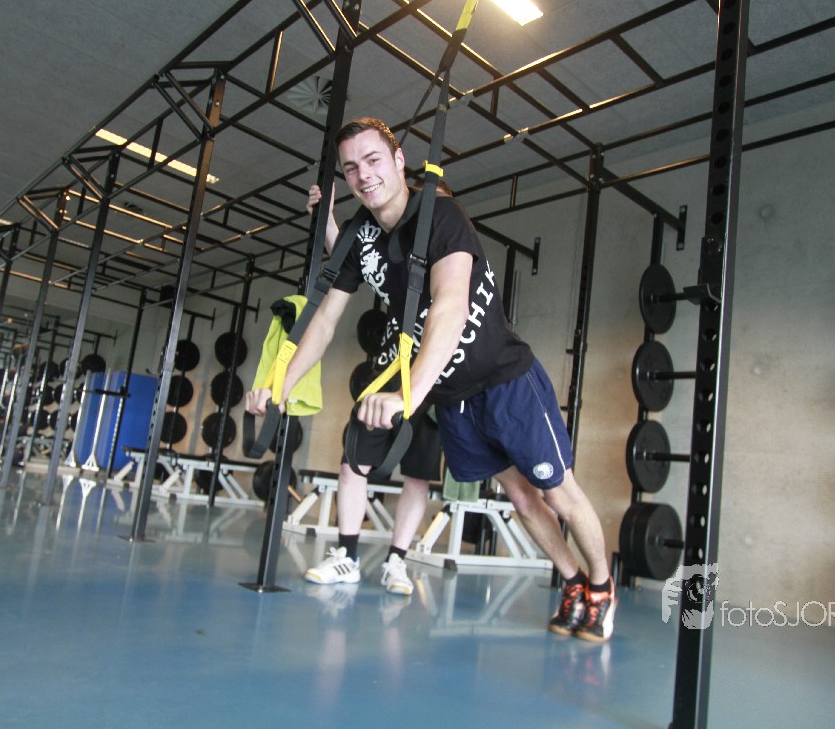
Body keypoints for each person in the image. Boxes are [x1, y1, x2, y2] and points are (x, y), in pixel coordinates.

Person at [248, 119, 615, 642]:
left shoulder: (441, 215)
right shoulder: (360, 237)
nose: (363, 174)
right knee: (521, 499)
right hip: (455, 398)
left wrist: (407, 395)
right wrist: (279, 387)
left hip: (506, 379)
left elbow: (449, 307)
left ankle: (601, 587)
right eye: (351, 168)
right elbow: (325, 320)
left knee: (557, 492)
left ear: (399, 161)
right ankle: (573, 581)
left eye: (373, 159)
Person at [293, 181, 448, 597]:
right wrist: (326, 219)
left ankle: (397, 561)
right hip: (387, 372)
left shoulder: (453, 256)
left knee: (417, 477)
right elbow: (355, 257)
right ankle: (347, 556)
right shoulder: (401, 251)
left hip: (434, 380)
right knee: (353, 464)